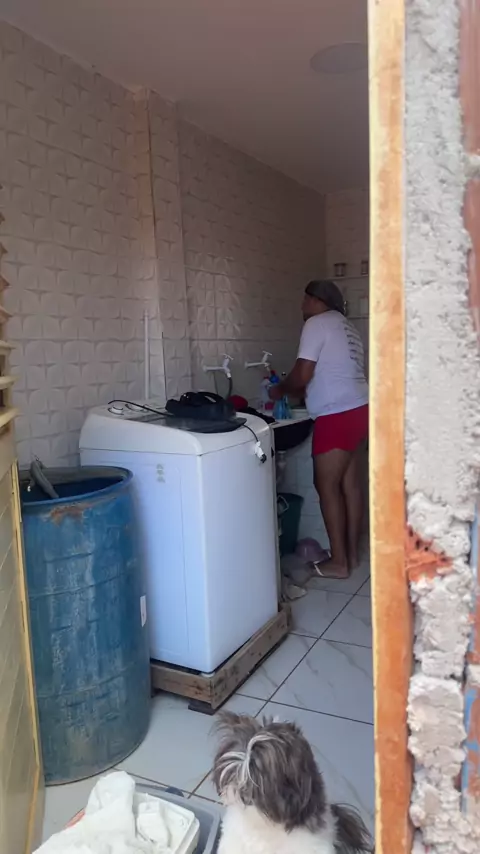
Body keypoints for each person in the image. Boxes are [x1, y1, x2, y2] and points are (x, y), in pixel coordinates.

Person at [269, 280, 368, 579]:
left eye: (305, 300)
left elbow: (302, 374)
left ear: (316, 300)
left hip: (336, 413)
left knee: (326, 487)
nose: (302, 306)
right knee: (350, 486)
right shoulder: (347, 327)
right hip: (360, 408)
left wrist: (279, 390)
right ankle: (350, 555)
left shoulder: (317, 323)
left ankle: (338, 563)